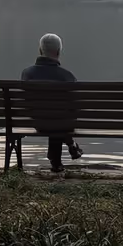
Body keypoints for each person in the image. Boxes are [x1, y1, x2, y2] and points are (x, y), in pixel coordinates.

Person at [21, 33, 83, 172]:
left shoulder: (27, 74)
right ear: (58, 52)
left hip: (38, 123)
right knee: (59, 118)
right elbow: (75, 107)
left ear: (40, 50)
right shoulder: (67, 76)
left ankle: (57, 159)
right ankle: (67, 148)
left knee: (52, 116)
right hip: (63, 126)